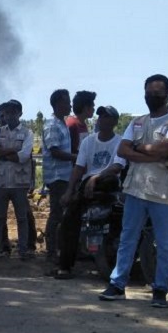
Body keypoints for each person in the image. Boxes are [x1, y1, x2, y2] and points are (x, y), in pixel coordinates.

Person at [100, 75, 168, 308]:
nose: (151, 97)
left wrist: (138, 148)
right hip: (135, 189)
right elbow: (122, 150)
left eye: (157, 93)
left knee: (164, 243)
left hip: (162, 192)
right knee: (128, 238)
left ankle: (160, 289)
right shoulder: (136, 122)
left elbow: (164, 149)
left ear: (167, 95)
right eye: (148, 93)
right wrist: (150, 153)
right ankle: (117, 284)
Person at [52, 106, 125, 279]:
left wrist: (96, 178)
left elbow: (117, 166)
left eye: (107, 116)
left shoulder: (120, 142)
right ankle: (65, 266)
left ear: (115, 121)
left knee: (122, 218)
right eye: (100, 116)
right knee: (69, 218)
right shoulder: (88, 142)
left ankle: (119, 262)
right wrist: (69, 191)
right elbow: (78, 168)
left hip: (109, 184)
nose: (102, 119)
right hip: (88, 186)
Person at [0, 99, 34, 261]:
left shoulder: (27, 133)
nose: (10, 115)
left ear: (20, 113)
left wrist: (3, 152)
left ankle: (23, 251)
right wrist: (14, 151)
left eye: (13, 112)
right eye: (7, 112)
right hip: (0, 182)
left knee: (22, 218)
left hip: (19, 183)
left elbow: (24, 156)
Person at [42, 89, 76, 262]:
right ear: (57, 104)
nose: (70, 105)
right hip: (57, 177)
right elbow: (54, 151)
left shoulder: (62, 124)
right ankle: (51, 251)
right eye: (67, 102)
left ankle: (58, 248)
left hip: (64, 175)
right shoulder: (52, 125)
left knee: (61, 214)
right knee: (56, 213)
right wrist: (75, 158)